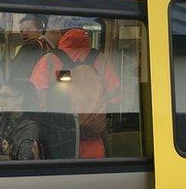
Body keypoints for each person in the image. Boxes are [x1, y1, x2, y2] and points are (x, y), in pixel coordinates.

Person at [30, 20, 119, 159]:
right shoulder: (101, 60)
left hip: (59, 142)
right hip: (93, 140)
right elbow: (115, 98)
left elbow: (35, 99)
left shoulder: (49, 60)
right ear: (85, 32)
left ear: (60, 33)